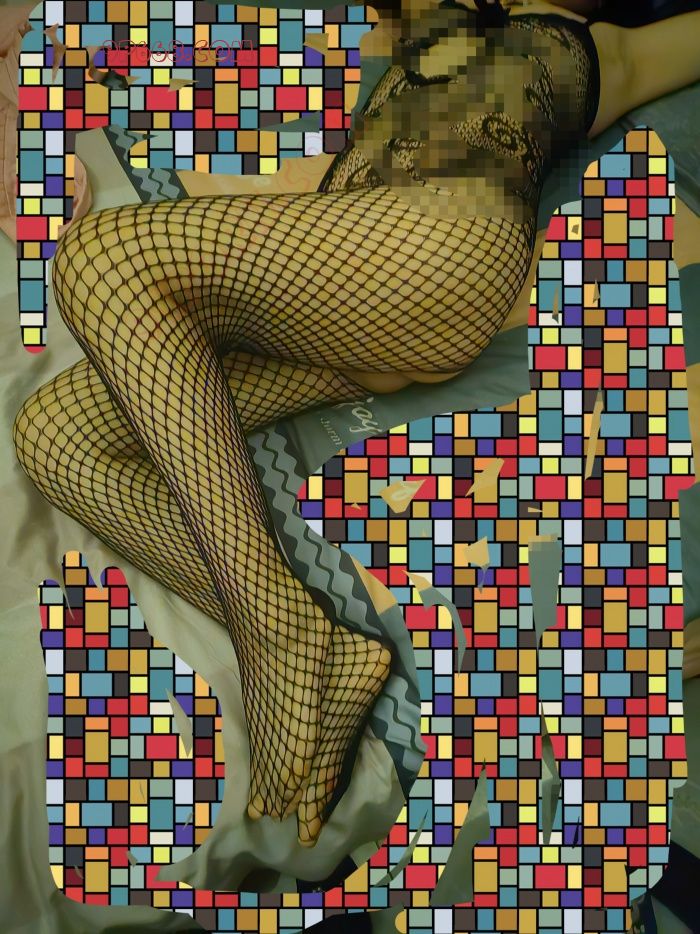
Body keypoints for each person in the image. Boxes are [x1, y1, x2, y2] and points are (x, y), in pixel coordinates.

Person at [13, 0, 700, 847]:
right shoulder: (409, 30)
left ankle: (275, 643)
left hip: (443, 248)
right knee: (57, 434)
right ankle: (308, 635)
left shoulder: (578, 45)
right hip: (350, 314)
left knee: (103, 259)